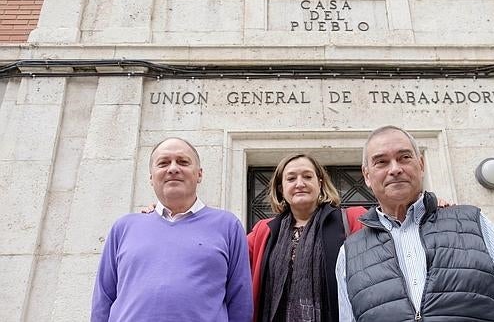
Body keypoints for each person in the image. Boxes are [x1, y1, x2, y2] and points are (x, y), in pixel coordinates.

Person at [336, 126, 494, 322]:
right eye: (381, 162)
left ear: (421, 165)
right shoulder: (350, 253)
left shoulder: (473, 222)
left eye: (404, 157)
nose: (395, 169)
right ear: (366, 176)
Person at [91, 137, 252, 322]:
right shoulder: (124, 227)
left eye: (183, 162)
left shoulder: (228, 226)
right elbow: (103, 299)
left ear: (199, 174)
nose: (173, 168)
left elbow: (240, 301)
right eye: (163, 163)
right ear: (151, 177)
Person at [246, 153, 367, 322]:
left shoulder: (353, 219)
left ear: (320, 183)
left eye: (307, 176)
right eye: (291, 178)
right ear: (281, 188)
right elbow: (227, 262)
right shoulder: (264, 231)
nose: (300, 183)